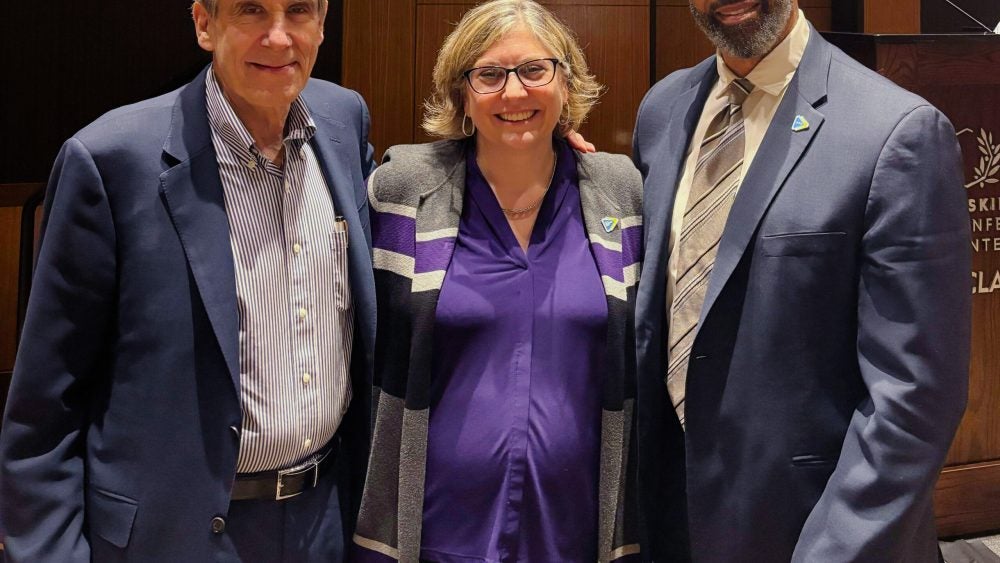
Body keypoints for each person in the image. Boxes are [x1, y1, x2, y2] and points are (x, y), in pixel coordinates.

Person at [0, 0, 375, 561]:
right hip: (171, 535)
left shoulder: (344, 120)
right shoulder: (110, 160)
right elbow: (44, 411)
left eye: (298, 11)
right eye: (251, 11)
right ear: (204, 23)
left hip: (322, 523)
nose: (279, 38)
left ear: (321, 22)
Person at [633, 1, 971, 561]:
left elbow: (915, 397)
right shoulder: (664, 108)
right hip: (674, 520)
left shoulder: (896, 131)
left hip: (815, 529)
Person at [350, 1, 642, 561]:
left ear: (566, 79)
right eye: (489, 74)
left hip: (577, 530)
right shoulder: (401, 190)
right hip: (433, 531)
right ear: (462, 90)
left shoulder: (620, 191)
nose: (514, 93)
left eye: (535, 70)